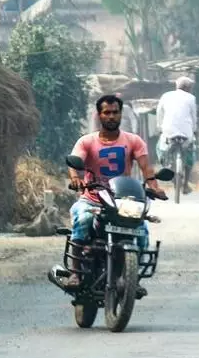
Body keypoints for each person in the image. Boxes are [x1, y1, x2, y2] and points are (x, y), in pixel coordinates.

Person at [62, 94, 166, 295]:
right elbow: (74, 163)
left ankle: (133, 278)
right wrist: (75, 178)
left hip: (121, 201)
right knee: (82, 219)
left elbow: (146, 168)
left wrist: (154, 186)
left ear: (121, 114)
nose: (111, 116)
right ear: (99, 115)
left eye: (115, 112)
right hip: (92, 199)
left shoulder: (134, 141)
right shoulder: (87, 141)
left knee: (142, 231)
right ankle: (75, 273)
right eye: (107, 112)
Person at [155, 76, 199, 194]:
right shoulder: (191, 98)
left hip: (168, 131)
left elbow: (159, 112)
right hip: (186, 133)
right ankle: (185, 184)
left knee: (160, 149)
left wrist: (160, 127)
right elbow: (193, 116)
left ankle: (166, 167)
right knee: (190, 153)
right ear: (188, 88)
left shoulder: (166, 96)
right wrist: (194, 130)